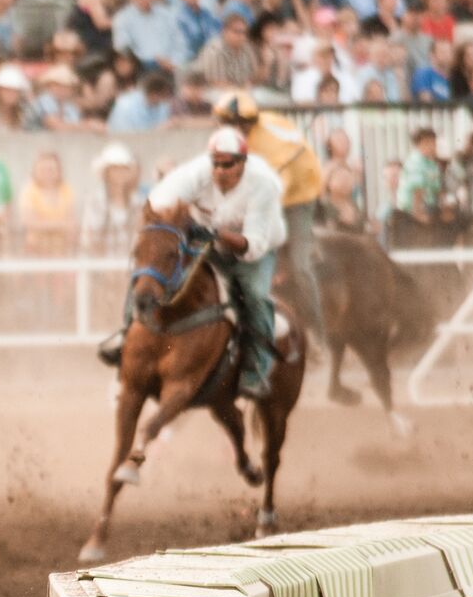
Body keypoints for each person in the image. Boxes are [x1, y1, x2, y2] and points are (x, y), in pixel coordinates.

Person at [104, 126, 287, 400]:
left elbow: (254, 245)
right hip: (205, 243)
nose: (220, 170)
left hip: (254, 252)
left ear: (242, 164)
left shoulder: (263, 185)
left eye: (228, 164)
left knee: (255, 295)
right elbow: (160, 201)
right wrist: (167, 228)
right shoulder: (195, 174)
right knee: (151, 273)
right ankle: (127, 338)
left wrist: (217, 235)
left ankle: (257, 369)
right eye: (216, 162)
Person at [214, 92, 325, 337]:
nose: (229, 130)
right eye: (225, 123)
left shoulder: (271, 150)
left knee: (299, 266)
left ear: (248, 124)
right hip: (273, 188)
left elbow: (273, 196)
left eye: (235, 125)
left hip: (298, 196)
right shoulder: (240, 139)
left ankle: (318, 333)